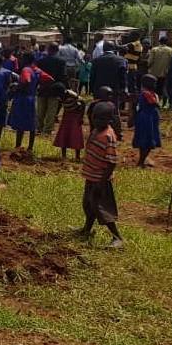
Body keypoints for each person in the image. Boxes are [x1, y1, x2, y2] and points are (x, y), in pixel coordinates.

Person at [74, 101, 124, 249]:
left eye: (102, 119)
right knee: (88, 205)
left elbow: (112, 162)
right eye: (96, 118)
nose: (98, 121)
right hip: (91, 177)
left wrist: (101, 183)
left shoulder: (108, 136)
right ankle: (86, 230)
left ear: (110, 119)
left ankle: (117, 238)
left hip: (100, 180)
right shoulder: (96, 131)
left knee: (101, 210)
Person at [8, 51, 52, 151]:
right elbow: (50, 79)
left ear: (26, 59)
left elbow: (27, 81)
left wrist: (18, 87)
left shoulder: (26, 70)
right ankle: (30, 147)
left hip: (23, 98)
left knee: (21, 123)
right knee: (32, 122)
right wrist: (37, 87)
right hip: (32, 98)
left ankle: (18, 146)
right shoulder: (37, 70)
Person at [36, 43, 67, 135]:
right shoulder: (61, 61)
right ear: (57, 50)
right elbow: (63, 76)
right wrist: (66, 87)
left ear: (48, 49)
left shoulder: (41, 61)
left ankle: (39, 127)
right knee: (51, 110)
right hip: (55, 88)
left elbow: (38, 75)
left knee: (40, 109)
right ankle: (48, 130)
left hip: (42, 87)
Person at [132, 74, 162, 168]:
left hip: (144, 117)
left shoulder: (143, 92)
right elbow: (155, 103)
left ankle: (142, 160)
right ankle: (141, 162)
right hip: (148, 118)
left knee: (144, 140)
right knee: (149, 139)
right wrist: (156, 97)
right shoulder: (148, 93)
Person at [53, 83, 85, 160]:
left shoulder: (71, 94)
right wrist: (56, 114)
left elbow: (83, 102)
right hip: (66, 115)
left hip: (75, 115)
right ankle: (63, 156)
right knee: (64, 133)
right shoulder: (60, 96)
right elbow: (60, 104)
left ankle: (77, 156)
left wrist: (81, 117)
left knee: (76, 134)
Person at [148, 37, 172, 107]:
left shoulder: (154, 49)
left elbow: (149, 62)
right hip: (164, 73)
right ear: (166, 42)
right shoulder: (171, 50)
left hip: (154, 73)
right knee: (162, 87)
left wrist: (147, 67)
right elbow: (171, 62)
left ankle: (155, 102)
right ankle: (163, 101)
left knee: (154, 88)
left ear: (159, 42)